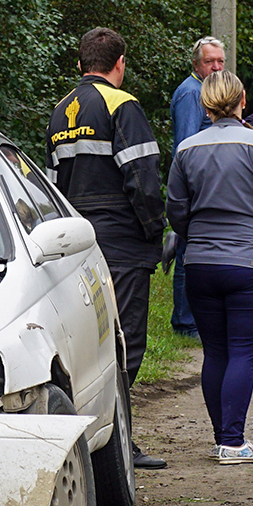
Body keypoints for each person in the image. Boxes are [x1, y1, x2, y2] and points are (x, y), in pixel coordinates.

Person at [47, 27, 170, 469]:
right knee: (125, 339)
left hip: (76, 242)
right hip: (121, 238)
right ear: (119, 64)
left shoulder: (60, 112)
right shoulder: (123, 105)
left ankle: (105, 439)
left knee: (93, 340)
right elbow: (142, 177)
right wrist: (156, 231)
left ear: (81, 65)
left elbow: (53, 186)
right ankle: (118, 445)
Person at [166, 70, 253, 464]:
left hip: (202, 263)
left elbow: (176, 208)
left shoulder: (187, 149)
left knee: (216, 352)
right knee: (244, 353)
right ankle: (233, 441)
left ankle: (222, 436)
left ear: (205, 104)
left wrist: (197, 236)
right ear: (243, 99)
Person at [168, 37, 228, 336]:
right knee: (187, 255)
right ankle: (185, 323)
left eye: (220, 61)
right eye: (209, 62)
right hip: (194, 191)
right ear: (196, 64)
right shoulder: (191, 94)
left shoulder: (208, 91)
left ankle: (198, 320)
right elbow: (185, 147)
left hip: (209, 189)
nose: (216, 67)